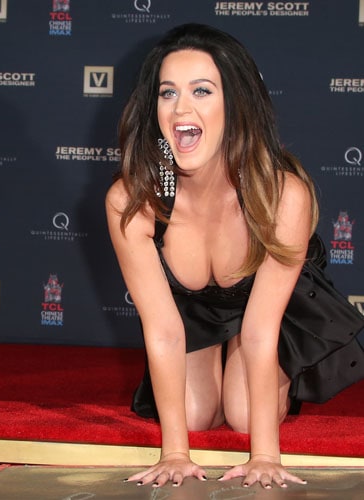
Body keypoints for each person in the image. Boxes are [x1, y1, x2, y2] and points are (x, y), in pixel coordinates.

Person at [106, 23, 364, 489]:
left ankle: (248, 377)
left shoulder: (280, 194)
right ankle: (217, 363)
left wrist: (265, 455)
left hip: (268, 311)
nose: (182, 108)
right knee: (194, 416)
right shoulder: (136, 201)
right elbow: (163, 331)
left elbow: (261, 330)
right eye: (167, 93)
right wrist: (175, 452)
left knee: (244, 416)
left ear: (235, 103)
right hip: (196, 312)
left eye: (202, 90)